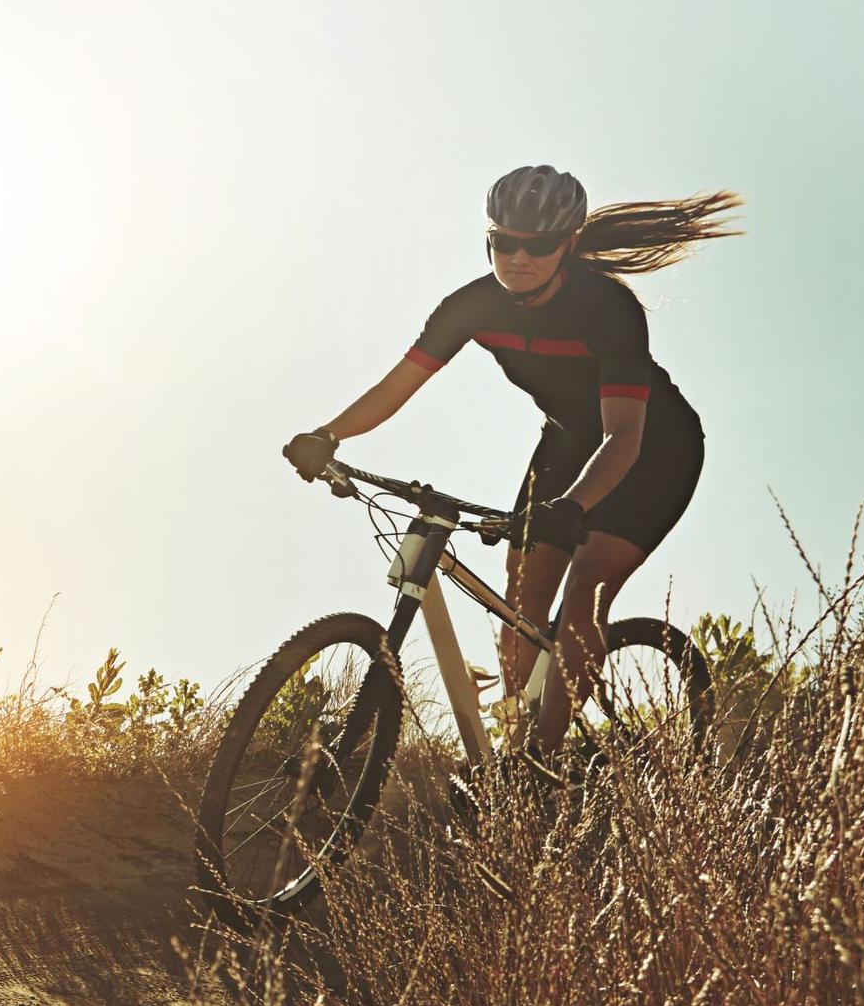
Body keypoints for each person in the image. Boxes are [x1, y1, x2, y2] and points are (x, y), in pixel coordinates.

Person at [281, 165, 741, 753]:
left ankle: (536, 771)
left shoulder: (608, 309)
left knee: (585, 588)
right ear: (489, 238)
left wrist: (574, 505)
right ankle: (511, 741)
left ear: (568, 244)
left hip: (654, 449)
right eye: (505, 242)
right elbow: (395, 388)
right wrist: (328, 435)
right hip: (569, 441)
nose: (519, 258)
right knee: (520, 593)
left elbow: (624, 436)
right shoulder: (471, 307)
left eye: (540, 245)